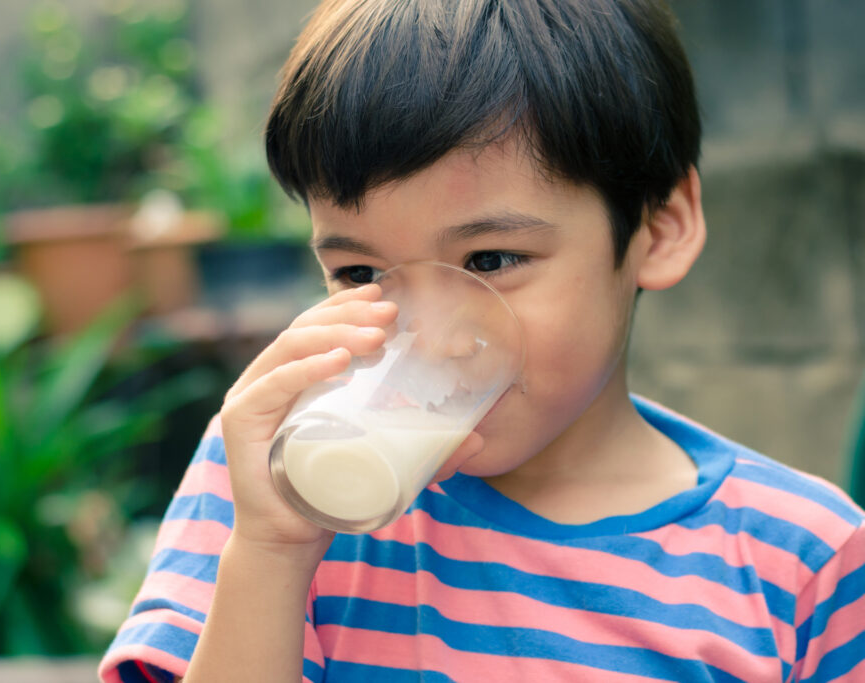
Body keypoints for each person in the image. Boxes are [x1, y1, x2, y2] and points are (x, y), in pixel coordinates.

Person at [99, 0, 865, 680]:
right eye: (363, 271)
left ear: (658, 228)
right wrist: (268, 556)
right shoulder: (268, 482)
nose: (427, 331)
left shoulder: (801, 560)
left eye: (490, 261)